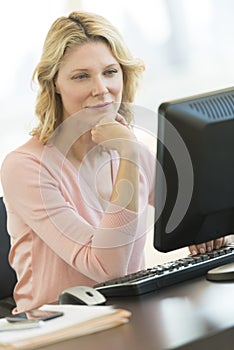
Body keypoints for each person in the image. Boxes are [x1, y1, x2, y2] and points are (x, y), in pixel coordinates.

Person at [0, 11, 231, 313]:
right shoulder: (26, 166)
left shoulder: (126, 149)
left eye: (110, 72)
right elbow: (107, 270)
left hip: (130, 316)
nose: (101, 88)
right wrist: (129, 155)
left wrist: (208, 234)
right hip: (57, 331)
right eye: (81, 76)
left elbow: (190, 215)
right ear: (54, 83)